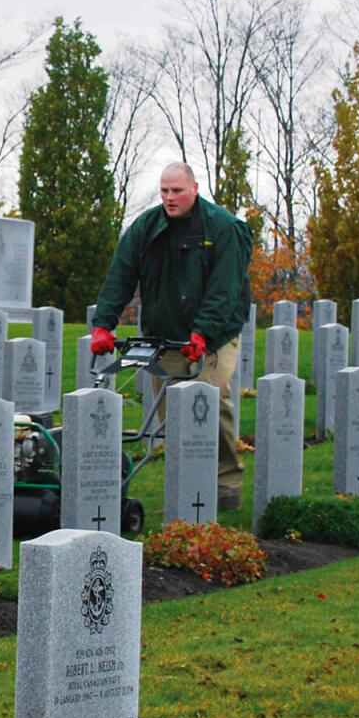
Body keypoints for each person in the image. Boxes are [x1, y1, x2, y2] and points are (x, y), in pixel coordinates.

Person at [89, 162, 251, 509]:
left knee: (208, 398)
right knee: (171, 412)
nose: (169, 197)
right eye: (164, 190)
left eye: (177, 191)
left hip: (215, 334)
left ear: (195, 188)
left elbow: (224, 290)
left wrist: (203, 333)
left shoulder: (224, 228)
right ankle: (187, 482)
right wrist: (104, 323)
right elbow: (121, 274)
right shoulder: (147, 227)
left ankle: (225, 483)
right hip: (165, 335)